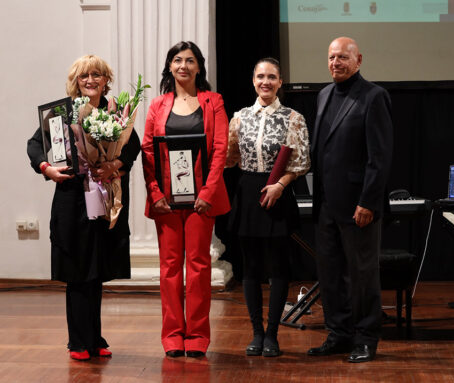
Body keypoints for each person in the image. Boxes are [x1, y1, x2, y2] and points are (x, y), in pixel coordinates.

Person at [27, 55, 141, 361]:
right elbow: (35, 144)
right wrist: (46, 168)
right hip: (72, 201)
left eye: (96, 75)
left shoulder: (116, 111)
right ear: (75, 82)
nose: (89, 81)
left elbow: (132, 145)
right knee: (78, 272)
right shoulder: (62, 112)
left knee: (96, 271)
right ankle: (77, 341)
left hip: (104, 198)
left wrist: (116, 163)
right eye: (83, 77)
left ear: (106, 80)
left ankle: (95, 338)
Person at [141, 41, 230, 358]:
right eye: (177, 60)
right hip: (166, 200)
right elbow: (148, 153)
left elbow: (220, 150)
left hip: (201, 201)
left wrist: (207, 193)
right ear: (169, 67)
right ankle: (172, 335)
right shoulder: (157, 105)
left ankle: (197, 335)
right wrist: (155, 193)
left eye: (190, 60)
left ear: (199, 67)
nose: (183, 66)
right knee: (169, 269)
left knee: (198, 266)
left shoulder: (213, 101)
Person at [307, 37, 393, 362]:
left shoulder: (373, 97)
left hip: (359, 206)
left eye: (343, 57)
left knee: (362, 275)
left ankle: (366, 338)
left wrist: (368, 202)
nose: (335, 63)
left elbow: (379, 157)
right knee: (329, 274)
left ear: (359, 60)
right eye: (331, 57)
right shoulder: (324, 95)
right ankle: (339, 334)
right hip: (326, 204)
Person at [226, 58, 310, 357]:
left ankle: (273, 335)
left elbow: (300, 162)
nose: (266, 82)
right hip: (248, 192)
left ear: (280, 82)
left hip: (278, 192)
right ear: (253, 80)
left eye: (271, 77)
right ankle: (256, 333)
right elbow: (230, 157)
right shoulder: (239, 117)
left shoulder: (293, 118)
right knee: (250, 269)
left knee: (277, 267)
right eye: (260, 76)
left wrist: (281, 184)